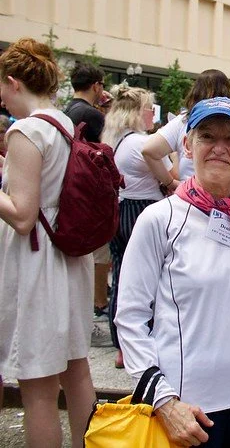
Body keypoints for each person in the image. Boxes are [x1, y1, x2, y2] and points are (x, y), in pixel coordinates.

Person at [116, 97, 230, 447]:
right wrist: (163, 401)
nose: (219, 148)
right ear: (187, 146)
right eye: (207, 136)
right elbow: (129, 318)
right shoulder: (159, 220)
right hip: (187, 411)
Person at [0, 38, 96, 447]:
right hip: (70, 256)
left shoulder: (26, 129)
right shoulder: (62, 124)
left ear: (12, 82)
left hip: (38, 263)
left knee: (37, 383)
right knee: (76, 368)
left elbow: (22, 215)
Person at [100, 84, 163, 370]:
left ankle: (121, 345)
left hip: (121, 208)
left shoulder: (116, 140)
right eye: (151, 110)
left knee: (123, 276)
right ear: (139, 112)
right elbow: (169, 175)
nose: (153, 115)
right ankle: (136, 342)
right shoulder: (141, 143)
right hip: (142, 209)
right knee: (145, 280)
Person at [65, 61, 114, 325]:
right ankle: (97, 303)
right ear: (96, 86)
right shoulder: (93, 115)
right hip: (89, 191)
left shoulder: (66, 110)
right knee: (96, 253)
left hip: (71, 189)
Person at [142, 69, 230, 190]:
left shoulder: (183, 121)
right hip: (226, 196)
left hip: (190, 197)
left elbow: (149, 150)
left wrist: (171, 183)